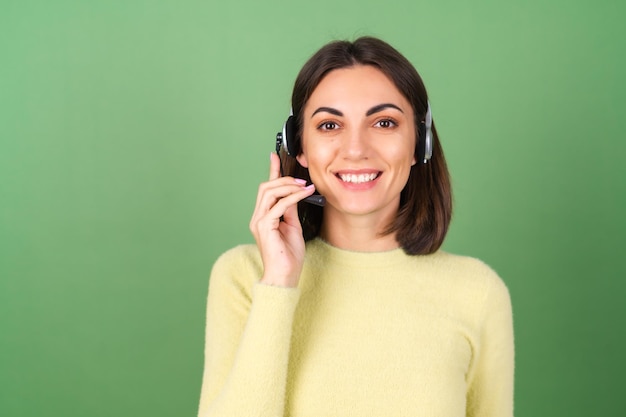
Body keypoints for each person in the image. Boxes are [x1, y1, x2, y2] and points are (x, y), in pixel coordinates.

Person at [197, 36, 514, 417]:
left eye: (384, 122)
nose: (356, 149)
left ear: (420, 142)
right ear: (299, 145)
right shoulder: (244, 277)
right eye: (330, 125)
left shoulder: (478, 292)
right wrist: (278, 284)